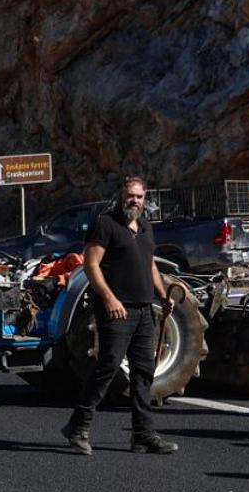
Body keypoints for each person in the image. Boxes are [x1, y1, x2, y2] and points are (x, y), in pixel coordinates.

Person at [60, 176, 178, 456]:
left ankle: (143, 435)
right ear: (121, 196)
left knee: (144, 372)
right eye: (130, 196)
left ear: (144, 199)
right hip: (116, 309)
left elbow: (150, 265)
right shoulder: (105, 224)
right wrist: (109, 298)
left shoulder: (145, 226)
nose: (134, 201)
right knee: (108, 366)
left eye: (139, 196)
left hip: (144, 309)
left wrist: (163, 295)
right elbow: (91, 265)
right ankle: (78, 426)